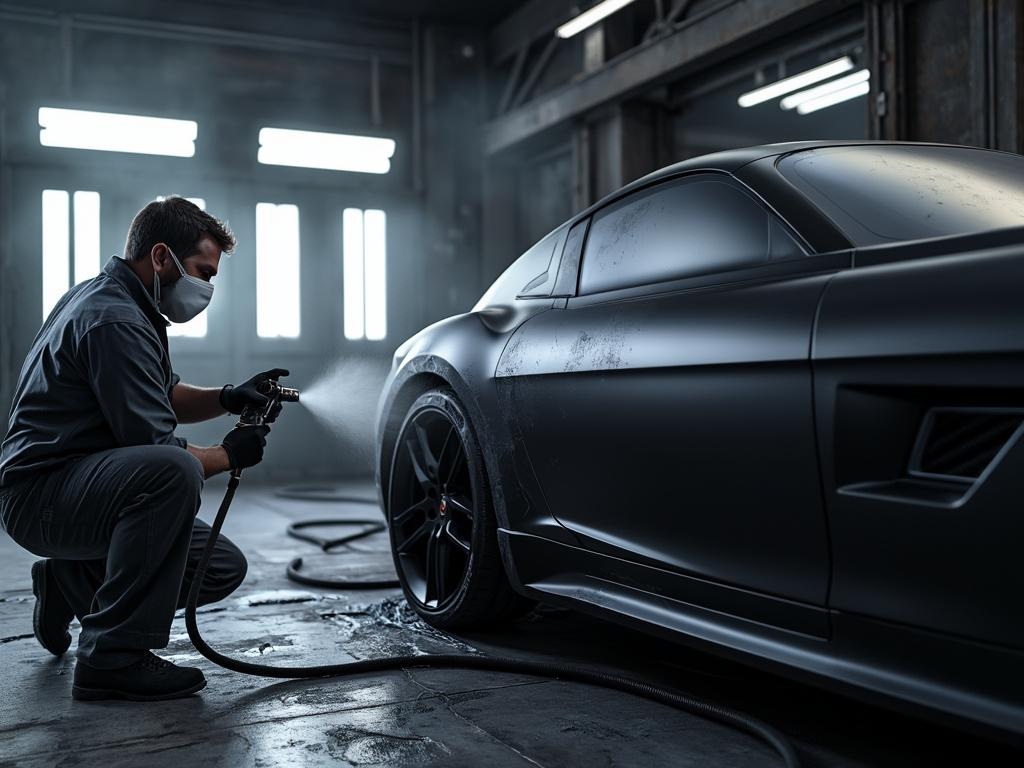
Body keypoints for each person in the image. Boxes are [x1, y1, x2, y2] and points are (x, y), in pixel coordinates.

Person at [0, 196, 284, 702]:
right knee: (171, 471)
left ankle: (70, 580)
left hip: (79, 489)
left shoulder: (122, 301)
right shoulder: (115, 319)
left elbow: (161, 394)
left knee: (217, 568)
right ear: (160, 257)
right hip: (41, 498)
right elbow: (159, 451)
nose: (207, 288)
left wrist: (226, 397)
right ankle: (113, 657)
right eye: (203, 271)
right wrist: (229, 453)